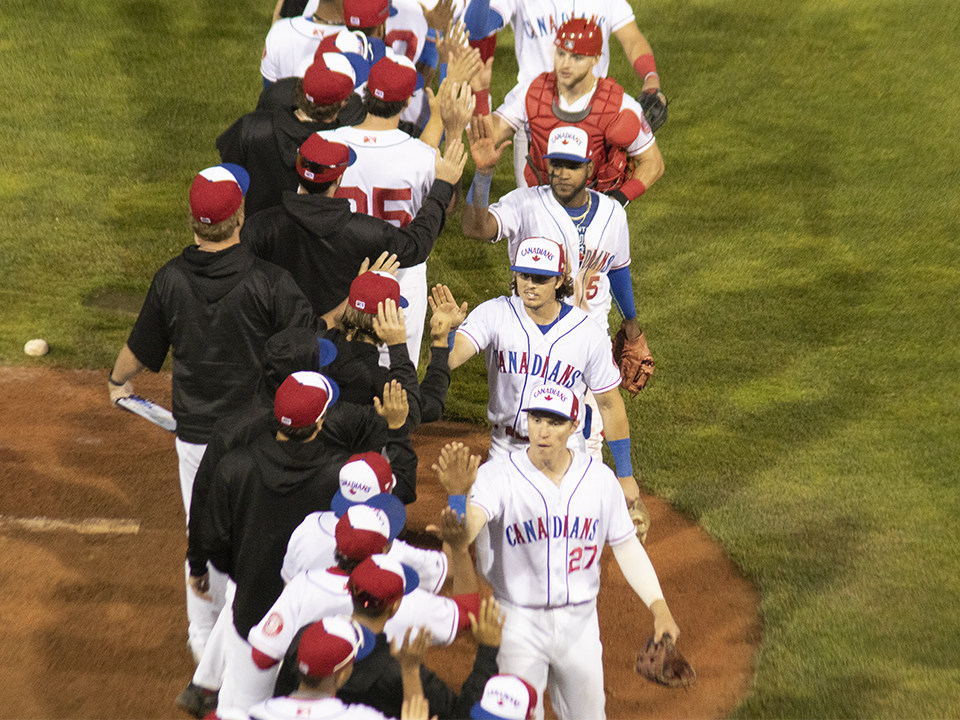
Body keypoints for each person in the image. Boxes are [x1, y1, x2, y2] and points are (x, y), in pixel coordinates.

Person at [107, 163, 317, 665]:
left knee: (202, 529)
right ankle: (249, 635)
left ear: (193, 223)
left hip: (197, 438)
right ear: (240, 217)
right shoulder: (271, 281)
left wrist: (118, 382)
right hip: (260, 434)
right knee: (261, 532)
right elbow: (305, 346)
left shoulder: (171, 280)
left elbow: (139, 351)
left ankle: (205, 643)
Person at [432, 382, 682, 720]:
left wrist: (660, 607)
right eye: (536, 420)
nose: (543, 432)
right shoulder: (498, 475)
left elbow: (626, 546)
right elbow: (470, 526)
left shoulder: (599, 479)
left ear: (573, 426)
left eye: (555, 422)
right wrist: (458, 502)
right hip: (516, 622)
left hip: (580, 624)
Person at [201, 371, 409, 716]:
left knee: (241, 708)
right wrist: (396, 430)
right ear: (320, 421)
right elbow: (386, 507)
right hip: (318, 640)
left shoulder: (235, 465)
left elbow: (214, 542)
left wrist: (246, 573)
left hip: (252, 612)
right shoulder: (338, 476)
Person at [462, 124, 654, 459]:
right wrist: (483, 174)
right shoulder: (524, 204)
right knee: (524, 439)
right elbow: (475, 227)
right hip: (532, 338)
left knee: (586, 449)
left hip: (589, 341)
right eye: (556, 164)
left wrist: (632, 326)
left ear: (589, 168)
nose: (561, 173)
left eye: (572, 165)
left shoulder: (612, 214)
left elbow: (618, 269)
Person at [444, 236, 648, 528]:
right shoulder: (495, 313)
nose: (529, 284)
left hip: (565, 456)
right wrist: (447, 334)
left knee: (561, 549)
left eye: (540, 278)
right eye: (524, 275)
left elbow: (609, 404)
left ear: (559, 280)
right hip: (506, 450)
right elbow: (450, 358)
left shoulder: (586, 332)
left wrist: (625, 475)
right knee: (496, 551)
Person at [319, 55, 474, 365]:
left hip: (336, 276)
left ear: (365, 94)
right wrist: (451, 128)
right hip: (401, 280)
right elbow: (449, 202)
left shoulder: (325, 144)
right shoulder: (422, 157)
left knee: (330, 368)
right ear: (406, 103)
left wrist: (438, 121)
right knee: (394, 380)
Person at [240, 131, 465, 322]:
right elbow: (416, 245)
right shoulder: (366, 232)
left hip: (279, 340)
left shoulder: (260, 227)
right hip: (342, 346)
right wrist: (442, 186)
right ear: (338, 179)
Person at [462, 0, 666, 186]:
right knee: (534, 217)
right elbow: (477, 28)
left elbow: (631, 38)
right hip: (533, 116)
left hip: (595, 119)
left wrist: (651, 78)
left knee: (594, 216)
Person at [278, 556, 502, 719]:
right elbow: (465, 714)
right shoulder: (400, 670)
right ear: (394, 607)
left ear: (350, 591)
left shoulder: (306, 642)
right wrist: (487, 651)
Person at [217, 53, 363, 217]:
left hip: (256, 235)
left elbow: (228, 177)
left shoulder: (252, 127)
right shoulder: (343, 144)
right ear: (343, 103)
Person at [247, 615, 432, 720]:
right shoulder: (363, 717)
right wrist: (410, 670)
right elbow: (415, 712)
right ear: (342, 675)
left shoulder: (257, 713)